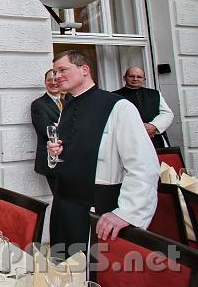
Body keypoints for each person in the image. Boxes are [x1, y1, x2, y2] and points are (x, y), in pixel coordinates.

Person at [48, 51, 159, 257]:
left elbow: (143, 165)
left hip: (94, 208)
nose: (56, 76)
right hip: (63, 206)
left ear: (84, 70)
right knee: (62, 269)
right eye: (55, 72)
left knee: (91, 277)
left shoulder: (119, 107)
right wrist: (57, 151)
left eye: (62, 70)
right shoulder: (67, 106)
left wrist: (127, 213)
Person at [114, 66, 174, 149]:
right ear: (124, 78)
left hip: (154, 138)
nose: (135, 79)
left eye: (139, 77)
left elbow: (167, 113)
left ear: (144, 80)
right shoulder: (113, 96)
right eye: (131, 76)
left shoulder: (155, 94)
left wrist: (154, 126)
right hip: (128, 141)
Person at [30, 69, 62, 194]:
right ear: (45, 82)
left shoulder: (71, 101)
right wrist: (65, 126)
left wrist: (58, 124)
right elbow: (47, 130)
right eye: (50, 80)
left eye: (56, 79)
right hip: (52, 159)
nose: (53, 82)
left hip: (71, 159)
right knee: (59, 198)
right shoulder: (38, 104)